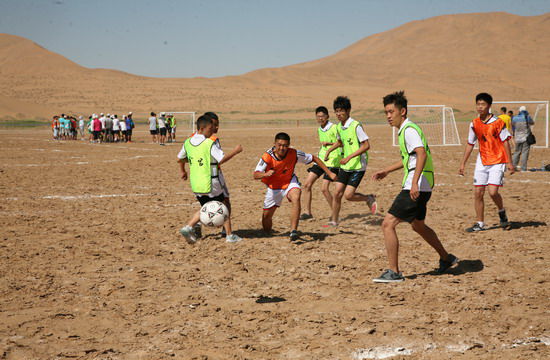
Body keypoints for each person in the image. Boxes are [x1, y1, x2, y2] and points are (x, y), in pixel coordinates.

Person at [372, 91, 458, 283]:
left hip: (417, 185)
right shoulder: (406, 130)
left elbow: (421, 154)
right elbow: (410, 159)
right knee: (418, 225)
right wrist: (387, 170)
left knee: (387, 224)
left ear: (402, 111)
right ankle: (447, 258)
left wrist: (413, 183)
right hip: (423, 185)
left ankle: (393, 272)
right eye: (385, 112)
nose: (388, 116)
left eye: (391, 111)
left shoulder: (409, 129)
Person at [254, 132, 337, 241]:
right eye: (279, 145)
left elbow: (314, 158)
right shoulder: (267, 156)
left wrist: (329, 173)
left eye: (285, 145)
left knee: (296, 196)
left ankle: (293, 231)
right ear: (274, 144)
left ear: (289, 145)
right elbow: (255, 174)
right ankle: (267, 231)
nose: (282, 148)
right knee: (266, 218)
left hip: (289, 182)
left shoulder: (294, 153)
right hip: (274, 187)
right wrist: (265, 174)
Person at [178, 115, 243, 244]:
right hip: (210, 181)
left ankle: (190, 227)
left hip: (196, 183)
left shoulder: (187, 142)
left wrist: (185, 168)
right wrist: (235, 151)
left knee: (205, 207)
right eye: (210, 127)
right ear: (202, 128)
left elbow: (179, 158)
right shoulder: (209, 143)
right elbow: (221, 159)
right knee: (222, 205)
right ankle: (229, 236)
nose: (213, 130)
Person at [459, 92, 514, 232]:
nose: (480, 107)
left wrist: (510, 162)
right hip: (482, 161)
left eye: (483, 104)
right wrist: (463, 163)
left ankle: (501, 212)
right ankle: (480, 223)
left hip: (498, 160)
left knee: (493, 192)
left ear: (489, 106)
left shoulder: (498, 122)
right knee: (478, 193)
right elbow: (470, 144)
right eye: (478, 104)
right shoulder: (474, 123)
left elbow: (506, 143)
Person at [323, 96, 377, 226]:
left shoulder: (356, 126)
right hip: (346, 165)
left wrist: (349, 157)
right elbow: (340, 142)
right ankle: (334, 221)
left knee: (348, 195)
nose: (338, 114)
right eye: (336, 111)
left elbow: (366, 145)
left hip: (358, 166)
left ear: (348, 111)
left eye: (341, 111)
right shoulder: (339, 127)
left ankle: (368, 198)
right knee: (337, 193)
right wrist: (329, 150)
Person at [300, 106, 341, 220]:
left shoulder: (335, 127)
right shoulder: (319, 129)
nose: (320, 118)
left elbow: (340, 143)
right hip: (320, 160)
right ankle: (307, 213)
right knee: (307, 184)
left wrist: (329, 148)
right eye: (318, 116)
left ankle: (335, 212)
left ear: (327, 116)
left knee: (324, 189)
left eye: (322, 116)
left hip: (332, 161)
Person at [511, 106, 535, 172]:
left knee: (516, 152)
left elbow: (512, 125)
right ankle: (523, 168)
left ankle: (513, 167)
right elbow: (532, 123)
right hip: (525, 138)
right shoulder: (527, 117)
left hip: (517, 138)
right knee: (525, 153)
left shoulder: (515, 118)